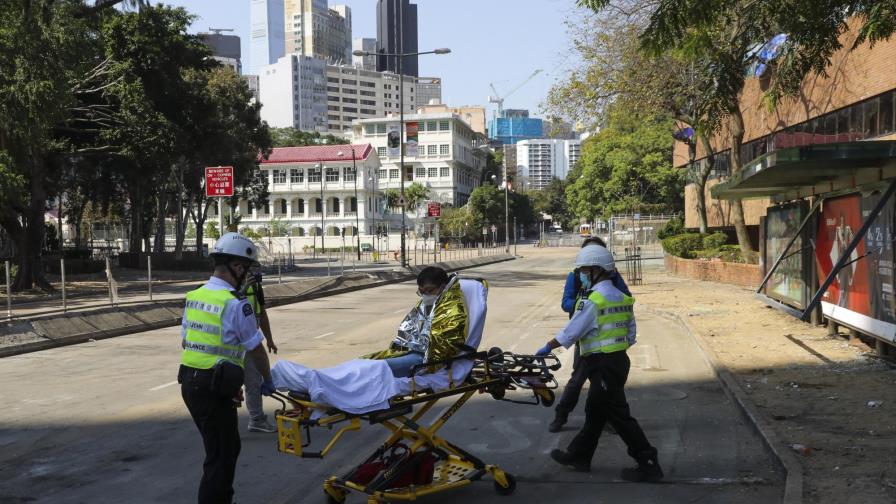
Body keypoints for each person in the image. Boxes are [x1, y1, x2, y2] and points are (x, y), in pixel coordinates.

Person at [534, 244, 662, 483]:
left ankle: (648, 462)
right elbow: (631, 335)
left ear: (596, 270)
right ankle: (579, 456)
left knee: (619, 416)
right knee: (595, 411)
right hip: (617, 361)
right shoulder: (622, 297)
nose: (581, 275)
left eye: (583, 270)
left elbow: (572, 331)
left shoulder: (593, 300)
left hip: (602, 365)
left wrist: (548, 347)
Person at [178, 232, 276, 504]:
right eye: (246, 269)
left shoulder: (194, 296)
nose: (247, 276)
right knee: (221, 455)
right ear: (237, 267)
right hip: (212, 386)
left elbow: (187, 340)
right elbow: (255, 347)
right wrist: (267, 379)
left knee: (223, 448)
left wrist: (228, 382)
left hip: (192, 382)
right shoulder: (235, 303)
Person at [550, 237, 631, 432]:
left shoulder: (611, 275)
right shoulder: (576, 275)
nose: (585, 270)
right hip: (585, 337)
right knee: (577, 379)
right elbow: (566, 303)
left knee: (610, 385)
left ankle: (613, 420)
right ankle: (561, 415)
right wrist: (583, 305)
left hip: (609, 340)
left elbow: (625, 297)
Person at [365, 266, 468, 377]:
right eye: (421, 291)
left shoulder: (452, 308)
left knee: (373, 369)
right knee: (362, 362)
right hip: (412, 352)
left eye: (429, 290)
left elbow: (444, 346)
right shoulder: (428, 303)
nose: (425, 295)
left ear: (443, 286)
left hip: (427, 358)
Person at [241, 271, 279, 433]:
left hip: (250, 338)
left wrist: (269, 339)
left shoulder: (256, 287)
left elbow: (261, 313)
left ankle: (256, 419)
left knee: (253, 381)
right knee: (227, 383)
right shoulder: (226, 286)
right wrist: (243, 289)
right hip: (230, 343)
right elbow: (227, 304)